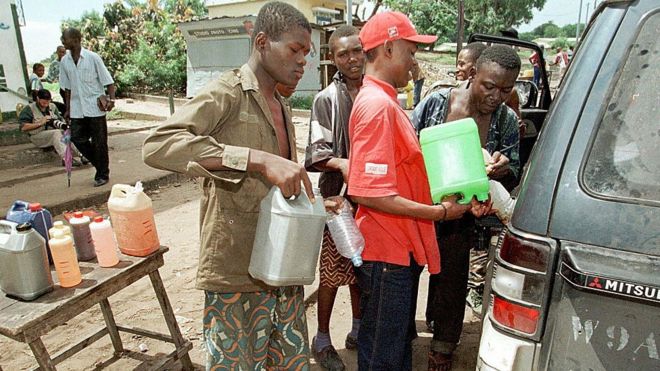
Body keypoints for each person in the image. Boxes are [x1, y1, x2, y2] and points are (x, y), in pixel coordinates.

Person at [143, 2, 315, 369]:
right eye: (295, 50)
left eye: (307, 53)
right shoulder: (227, 93)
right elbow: (158, 145)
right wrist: (256, 159)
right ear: (263, 42)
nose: (303, 61)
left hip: (281, 268)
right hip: (236, 273)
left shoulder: (281, 104)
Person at [347, 11, 487, 370]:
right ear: (389, 49)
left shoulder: (388, 102)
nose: (414, 61)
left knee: (395, 348)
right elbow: (368, 192)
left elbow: (402, 176)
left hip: (397, 252)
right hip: (386, 254)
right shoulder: (377, 107)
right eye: (410, 51)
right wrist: (440, 214)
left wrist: (451, 193)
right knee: (383, 354)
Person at [412, 45, 522, 371]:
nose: (496, 96)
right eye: (489, 86)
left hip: (462, 216)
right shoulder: (436, 103)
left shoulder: (506, 120)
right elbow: (408, 144)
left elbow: (513, 167)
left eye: (506, 89)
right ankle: (399, 335)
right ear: (473, 74)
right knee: (406, 274)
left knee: (453, 281)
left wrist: (501, 167)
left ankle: (442, 351)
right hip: (421, 205)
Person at [304, 24, 364, 371]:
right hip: (337, 200)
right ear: (332, 58)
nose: (352, 59)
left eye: (357, 51)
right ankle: (322, 338)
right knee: (331, 272)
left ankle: (357, 330)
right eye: (343, 54)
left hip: (372, 198)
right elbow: (315, 154)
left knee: (360, 269)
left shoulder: (377, 91)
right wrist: (345, 163)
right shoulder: (326, 99)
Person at [60, 28, 116, 187]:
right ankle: (101, 165)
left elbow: (108, 81)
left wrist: (111, 100)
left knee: (100, 142)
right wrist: (68, 108)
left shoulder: (92, 58)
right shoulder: (65, 61)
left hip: (95, 107)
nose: (62, 41)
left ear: (76, 39)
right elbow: (67, 88)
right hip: (77, 108)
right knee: (77, 138)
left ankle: (102, 174)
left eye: (65, 38)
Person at [18, 89, 83, 166]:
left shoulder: (52, 106)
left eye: (48, 101)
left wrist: (64, 125)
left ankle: (83, 155)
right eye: (44, 102)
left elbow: (59, 121)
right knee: (56, 133)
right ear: (38, 99)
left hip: (53, 133)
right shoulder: (29, 109)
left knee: (68, 132)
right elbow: (23, 128)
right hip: (37, 136)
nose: (46, 104)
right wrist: (40, 123)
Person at [46, 45, 67, 113]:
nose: (62, 54)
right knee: (67, 105)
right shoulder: (54, 64)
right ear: (57, 52)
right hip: (64, 88)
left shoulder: (70, 62)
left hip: (74, 87)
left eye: (64, 52)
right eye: (60, 52)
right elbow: (50, 79)